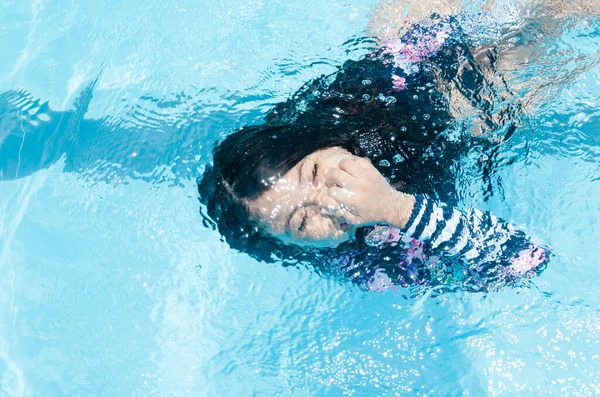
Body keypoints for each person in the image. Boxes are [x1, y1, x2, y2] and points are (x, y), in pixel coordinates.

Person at [197, 2, 594, 292]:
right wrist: (394, 208)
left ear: (312, 145)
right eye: (301, 223)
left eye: (314, 173)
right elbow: (528, 260)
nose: (329, 201)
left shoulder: (335, 109)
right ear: (295, 247)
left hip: (402, 91)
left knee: (400, 27)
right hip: (467, 144)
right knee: (536, 50)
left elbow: (410, 58)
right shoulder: (374, 260)